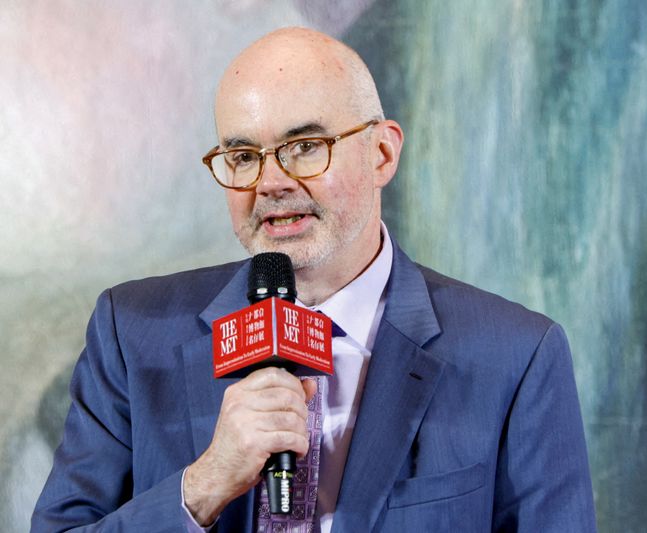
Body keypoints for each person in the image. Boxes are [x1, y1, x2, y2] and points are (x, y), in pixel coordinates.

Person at [32, 27, 596, 532]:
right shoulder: (131, 335)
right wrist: (203, 486)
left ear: (381, 153)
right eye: (244, 154)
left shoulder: (516, 356)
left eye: (305, 148)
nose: (271, 181)